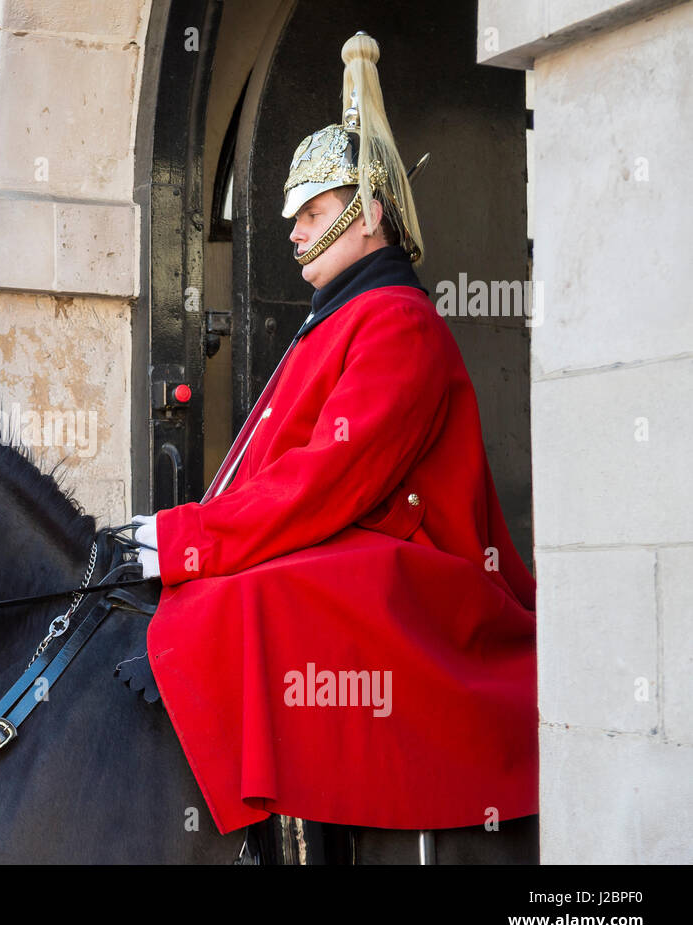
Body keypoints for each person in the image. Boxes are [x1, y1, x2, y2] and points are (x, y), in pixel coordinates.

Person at [132, 32, 538, 864]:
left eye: (315, 212)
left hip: (422, 566)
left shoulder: (396, 323)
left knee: (246, 600)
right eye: (294, 216)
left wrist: (181, 542)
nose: (294, 231)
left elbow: (327, 483)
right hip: (362, 547)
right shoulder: (341, 319)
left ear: (370, 213)